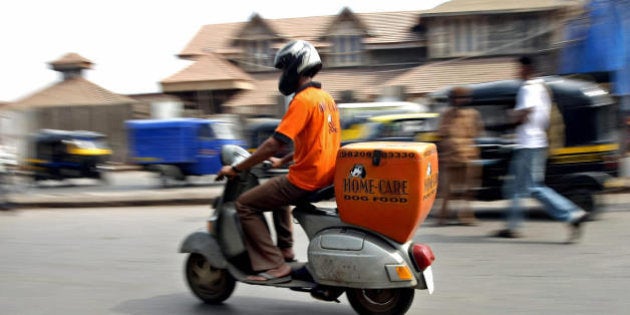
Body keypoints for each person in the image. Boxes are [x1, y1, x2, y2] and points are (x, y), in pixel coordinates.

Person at [216, 40, 341, 283]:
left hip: (306, 180)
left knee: (245, 205)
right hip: (325, 176)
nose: (283, 75)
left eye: (285, 68)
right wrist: (280, 161)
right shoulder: (325, 99)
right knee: (276, 194)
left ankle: (274, 265)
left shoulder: (302, 100)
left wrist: (237, 167)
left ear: (297, 66)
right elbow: (316, 142)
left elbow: (275, 142)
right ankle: (285, 251)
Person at [495, 56, 588, 242]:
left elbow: (525, 113)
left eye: (519, 68)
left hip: (528, 144)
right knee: (514, 187)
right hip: (537, 142)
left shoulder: (527, 88)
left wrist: (511, 116)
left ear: (527, 69)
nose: (516, 72)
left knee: (533, 187)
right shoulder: (542, 88)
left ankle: (571, 214)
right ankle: (512, 226)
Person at [436, 86, 484, 226]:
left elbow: (477, 133)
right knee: (447, 191)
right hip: (451, 157)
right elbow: (441, 133)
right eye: (458, 97)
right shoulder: (447, 114)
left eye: (463, 97)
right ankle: (442, 217)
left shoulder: (473, 114)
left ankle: (466, 216)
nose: (461, 100)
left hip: (469, 156)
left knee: (469, 189)